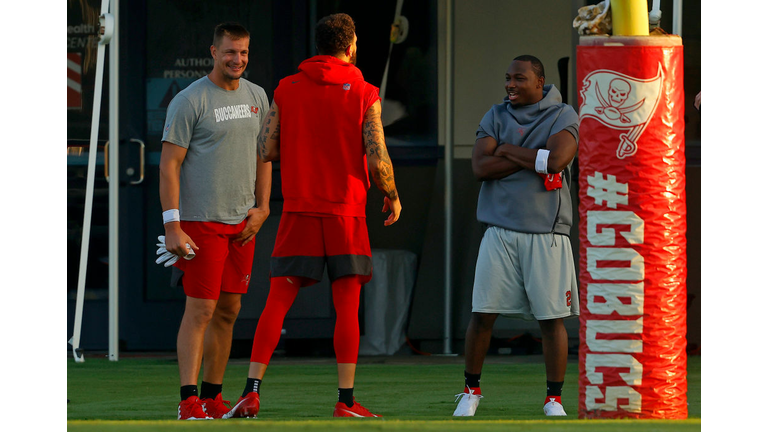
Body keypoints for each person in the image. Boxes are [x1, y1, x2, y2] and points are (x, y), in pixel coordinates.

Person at [225, 13, 401, 419]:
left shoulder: (287, 88)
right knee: (347, 305)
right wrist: (391, 195)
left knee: (277, 302)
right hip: (346, 213)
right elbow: (377, 159)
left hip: (301, 210)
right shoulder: (364, 91)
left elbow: (265, 148)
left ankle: (251, 392)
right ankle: (345, 401)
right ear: (351, 46)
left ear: (318, 46)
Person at [452, 55, 579, 417]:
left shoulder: (563, 114)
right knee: (483, 314)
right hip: (499, 229)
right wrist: (531, 158)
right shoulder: (495, 115)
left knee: (551, 318)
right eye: (507, 78)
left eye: (519, 79)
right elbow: (480, 167)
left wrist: (505, 150)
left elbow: (557, 162)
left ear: (540, 82)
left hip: (547, 232)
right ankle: (471, 391)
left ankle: (553, 398)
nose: (510, 85)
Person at [158, 22, 272, 420]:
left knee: (229, 310)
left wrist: (264, 207)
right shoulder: (190, 101)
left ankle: (212, 397)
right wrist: (173, 225)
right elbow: (169, 165)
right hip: (200, 223)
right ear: (213, 51)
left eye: (242, 52)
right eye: (229, 52)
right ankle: (188, 400)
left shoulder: (258, 96)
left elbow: (264, 156)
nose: (237, 59)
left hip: (243, 224)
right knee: (201, 310)